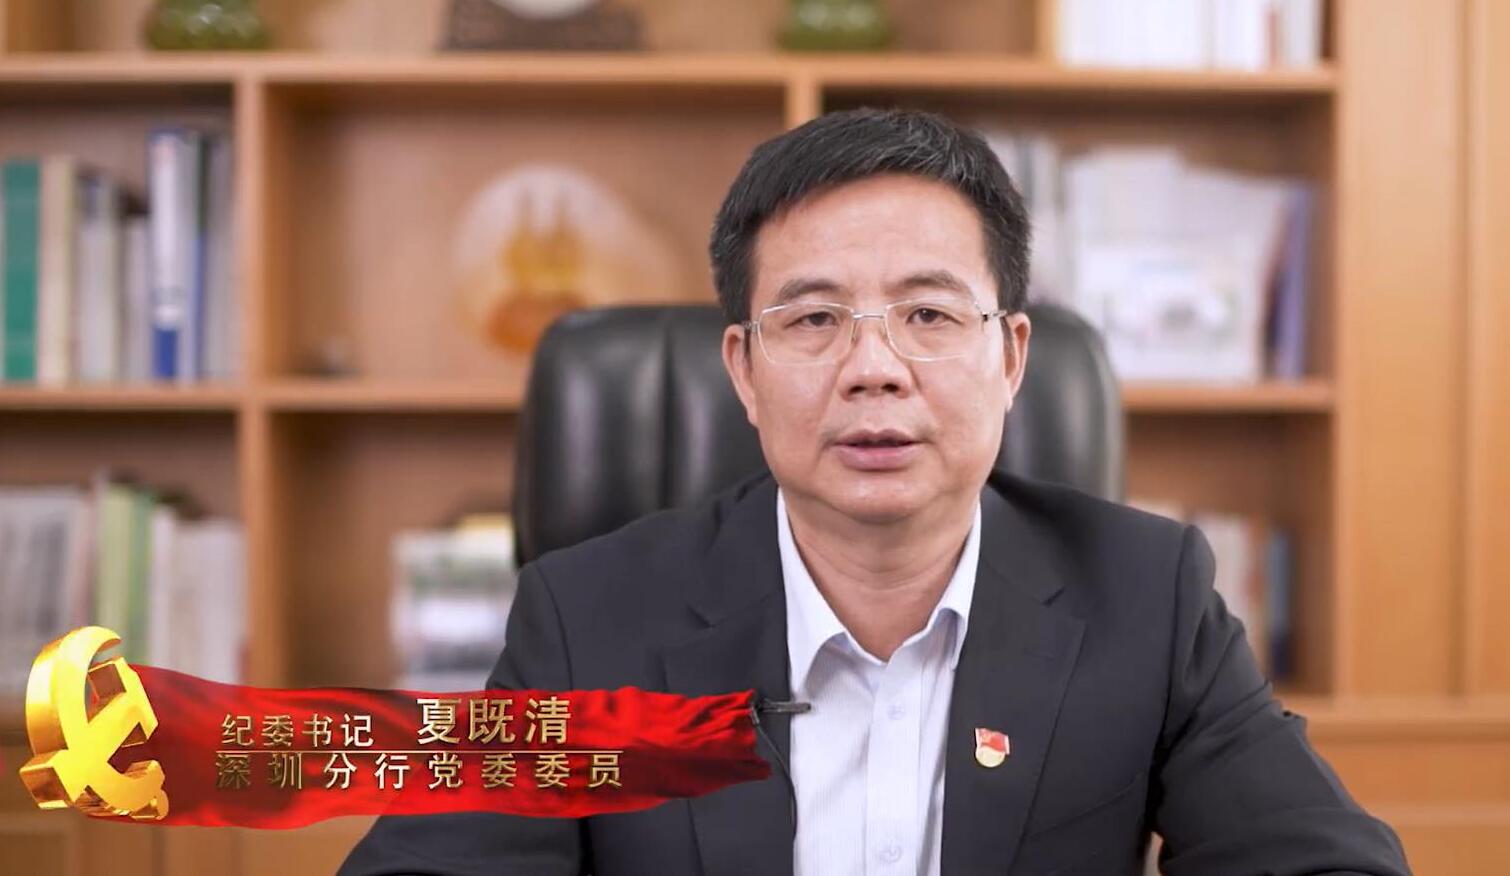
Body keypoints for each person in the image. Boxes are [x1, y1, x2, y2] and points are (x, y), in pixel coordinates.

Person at [340, 108, 1410, 875]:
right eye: (814, 320)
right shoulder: (591, 617)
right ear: (743, 371)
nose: (874, 368)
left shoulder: (1146, 596)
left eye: (929, 316)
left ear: (1011, 356)